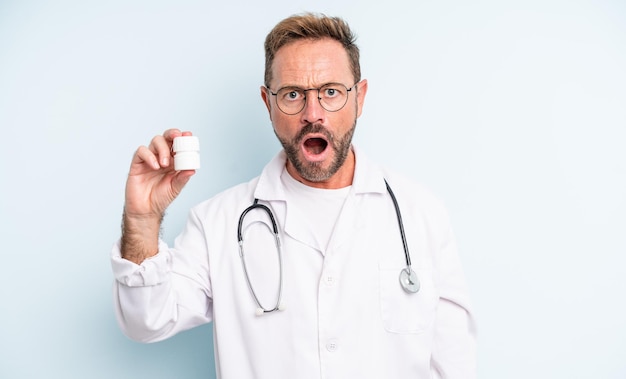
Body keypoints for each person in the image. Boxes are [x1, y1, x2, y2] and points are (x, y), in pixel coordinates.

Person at [111, 12, 476, 379]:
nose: (312, 114)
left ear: (359, 98)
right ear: (267, 103)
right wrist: (142, 221)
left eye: (331, 92)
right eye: (292, 95)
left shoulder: (421, 214)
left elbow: (454, 364)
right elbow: (147, 321)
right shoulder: (217, 223)